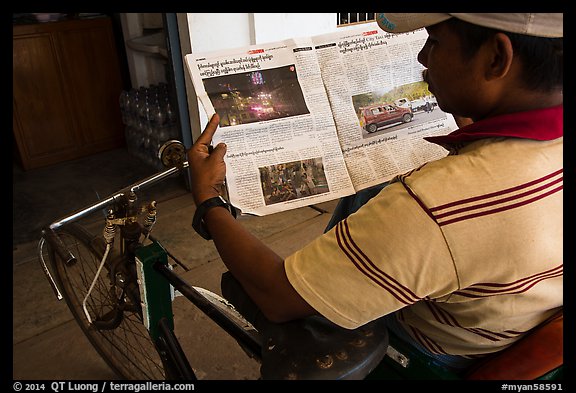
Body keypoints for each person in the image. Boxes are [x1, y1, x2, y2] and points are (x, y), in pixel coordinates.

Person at [186, 13, 562, 373]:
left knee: (267, 287)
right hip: (513, 320)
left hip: (429, 350)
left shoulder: (435, 204)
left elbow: (277, 295)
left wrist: (209, 199)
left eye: (434, 42)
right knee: (371, 193)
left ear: (497, 58)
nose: (422, 58)